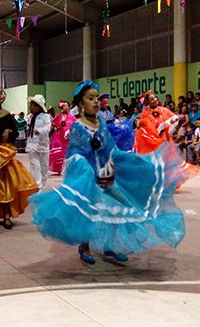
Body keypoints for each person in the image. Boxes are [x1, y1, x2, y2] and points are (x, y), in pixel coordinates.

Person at [29, 80, 186, 265]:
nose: (95, 102)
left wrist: (129, 159)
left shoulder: (101, 123)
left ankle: (109, 246)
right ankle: (84, 246)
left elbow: (111, 147)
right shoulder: (79, 126)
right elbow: (73, 154)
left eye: (96, 98)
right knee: (90, 211)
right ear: (80, 103)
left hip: (107, 174)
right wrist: (86, 168)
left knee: (114, 209)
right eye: (90, 98)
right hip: (88, 177)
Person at [0, 86, 38, 228]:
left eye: (1, 93)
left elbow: (16, 133)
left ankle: (7, 215)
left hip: (5, 154)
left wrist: (9, 131)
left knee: (7, 186)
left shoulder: (7, 115)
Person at [26, 94, 51, 189]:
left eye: (32, 105)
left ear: (38, 107)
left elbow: (48, 128)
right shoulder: (31, 117)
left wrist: (40, 131)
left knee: (44, 168)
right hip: (32, 145)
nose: (30, 107)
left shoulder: (46, 117)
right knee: (35, 166)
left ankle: (41, 185)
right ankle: (37, 187)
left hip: (43, 145)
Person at [49, 100, 76, 175]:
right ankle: (59, 168)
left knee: (67, 153)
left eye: (67, 106)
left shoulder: (72, 117)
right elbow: (53, 124)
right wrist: (56, 128)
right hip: (59, 137)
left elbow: (76, 126)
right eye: (64, 106)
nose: (66, 107)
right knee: (59, 153)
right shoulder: (58, 116)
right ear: (61, 107)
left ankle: (68, 168)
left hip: (68, 138)